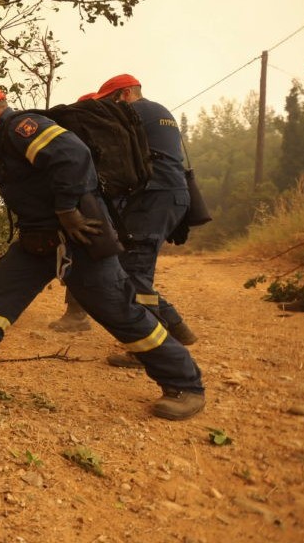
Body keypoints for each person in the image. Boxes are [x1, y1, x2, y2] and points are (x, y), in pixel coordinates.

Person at [0, 84, 205, 421]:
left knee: (119, 309)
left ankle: (185, 384)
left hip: (77, 237)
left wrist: (68, 208)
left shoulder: (22, 127)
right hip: (36, 240)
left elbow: (74, 155)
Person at [48, 75, 198, 370]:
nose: (108, 108)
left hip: (154, 198)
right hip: (168, 196)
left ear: (126, 93)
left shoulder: (134, 112)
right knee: (132, 270)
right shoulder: (159, 112)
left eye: (110, 101)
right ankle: (176, 326)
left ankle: (151, 351)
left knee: (134, 273)